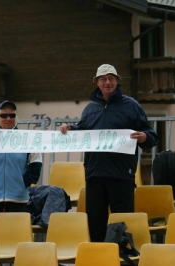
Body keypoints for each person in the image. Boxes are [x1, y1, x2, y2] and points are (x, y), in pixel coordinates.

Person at [59, 64, 159, 242]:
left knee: (122, 222)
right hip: (94, 175)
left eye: (111, 78)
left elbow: (151, 135)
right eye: (103, 79)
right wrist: (69, 129)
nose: (107, 82)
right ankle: (99, 257)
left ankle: (121, 258)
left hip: (121, 175)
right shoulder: (90, 108)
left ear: (117, 81)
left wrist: (145, 137)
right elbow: (82, 132)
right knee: (95, 223)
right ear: (97, 82)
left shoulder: (131, 105)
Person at [0, 100, 43, 218]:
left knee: (19, 235)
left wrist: (24, 182)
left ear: (16, 117)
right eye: (3, 115)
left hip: (19, 198)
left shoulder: (26, 139)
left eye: (12, 115)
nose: (8, 118)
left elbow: (36, 162)